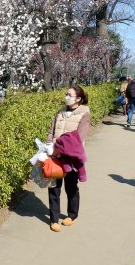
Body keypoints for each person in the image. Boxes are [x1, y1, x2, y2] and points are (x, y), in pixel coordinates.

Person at [46, 85, 90, 232]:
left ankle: (72, 215)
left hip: (71, 158)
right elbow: (51, 131)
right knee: (53, 188)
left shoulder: (84, 114)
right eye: (66, 94)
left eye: (69, 95)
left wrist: (58, 147)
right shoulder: (60, 111)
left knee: (71, 188)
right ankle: (54, 219)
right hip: (54, 156)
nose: (66, 96)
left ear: (78, 99)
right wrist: (49, 144)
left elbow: (79, 139)